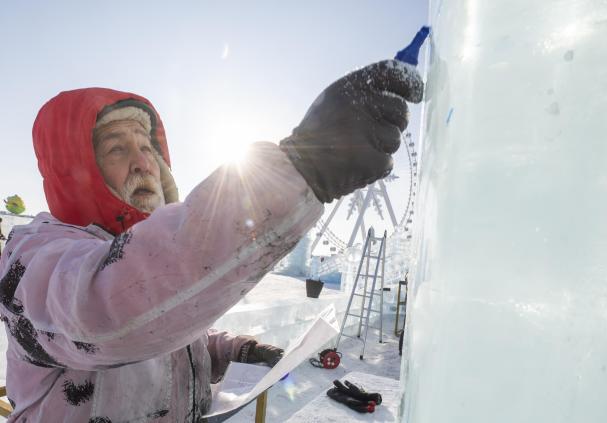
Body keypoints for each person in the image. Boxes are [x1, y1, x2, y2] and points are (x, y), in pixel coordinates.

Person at [0, 59, 423, 422]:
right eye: (116, 149)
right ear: (72, 167)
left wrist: (241, 349)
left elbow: (172, 335)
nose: (143, 162)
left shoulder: (140, 253)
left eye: (148, 147)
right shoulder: (35, 258)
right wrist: (301, 169)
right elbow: (106, 315)